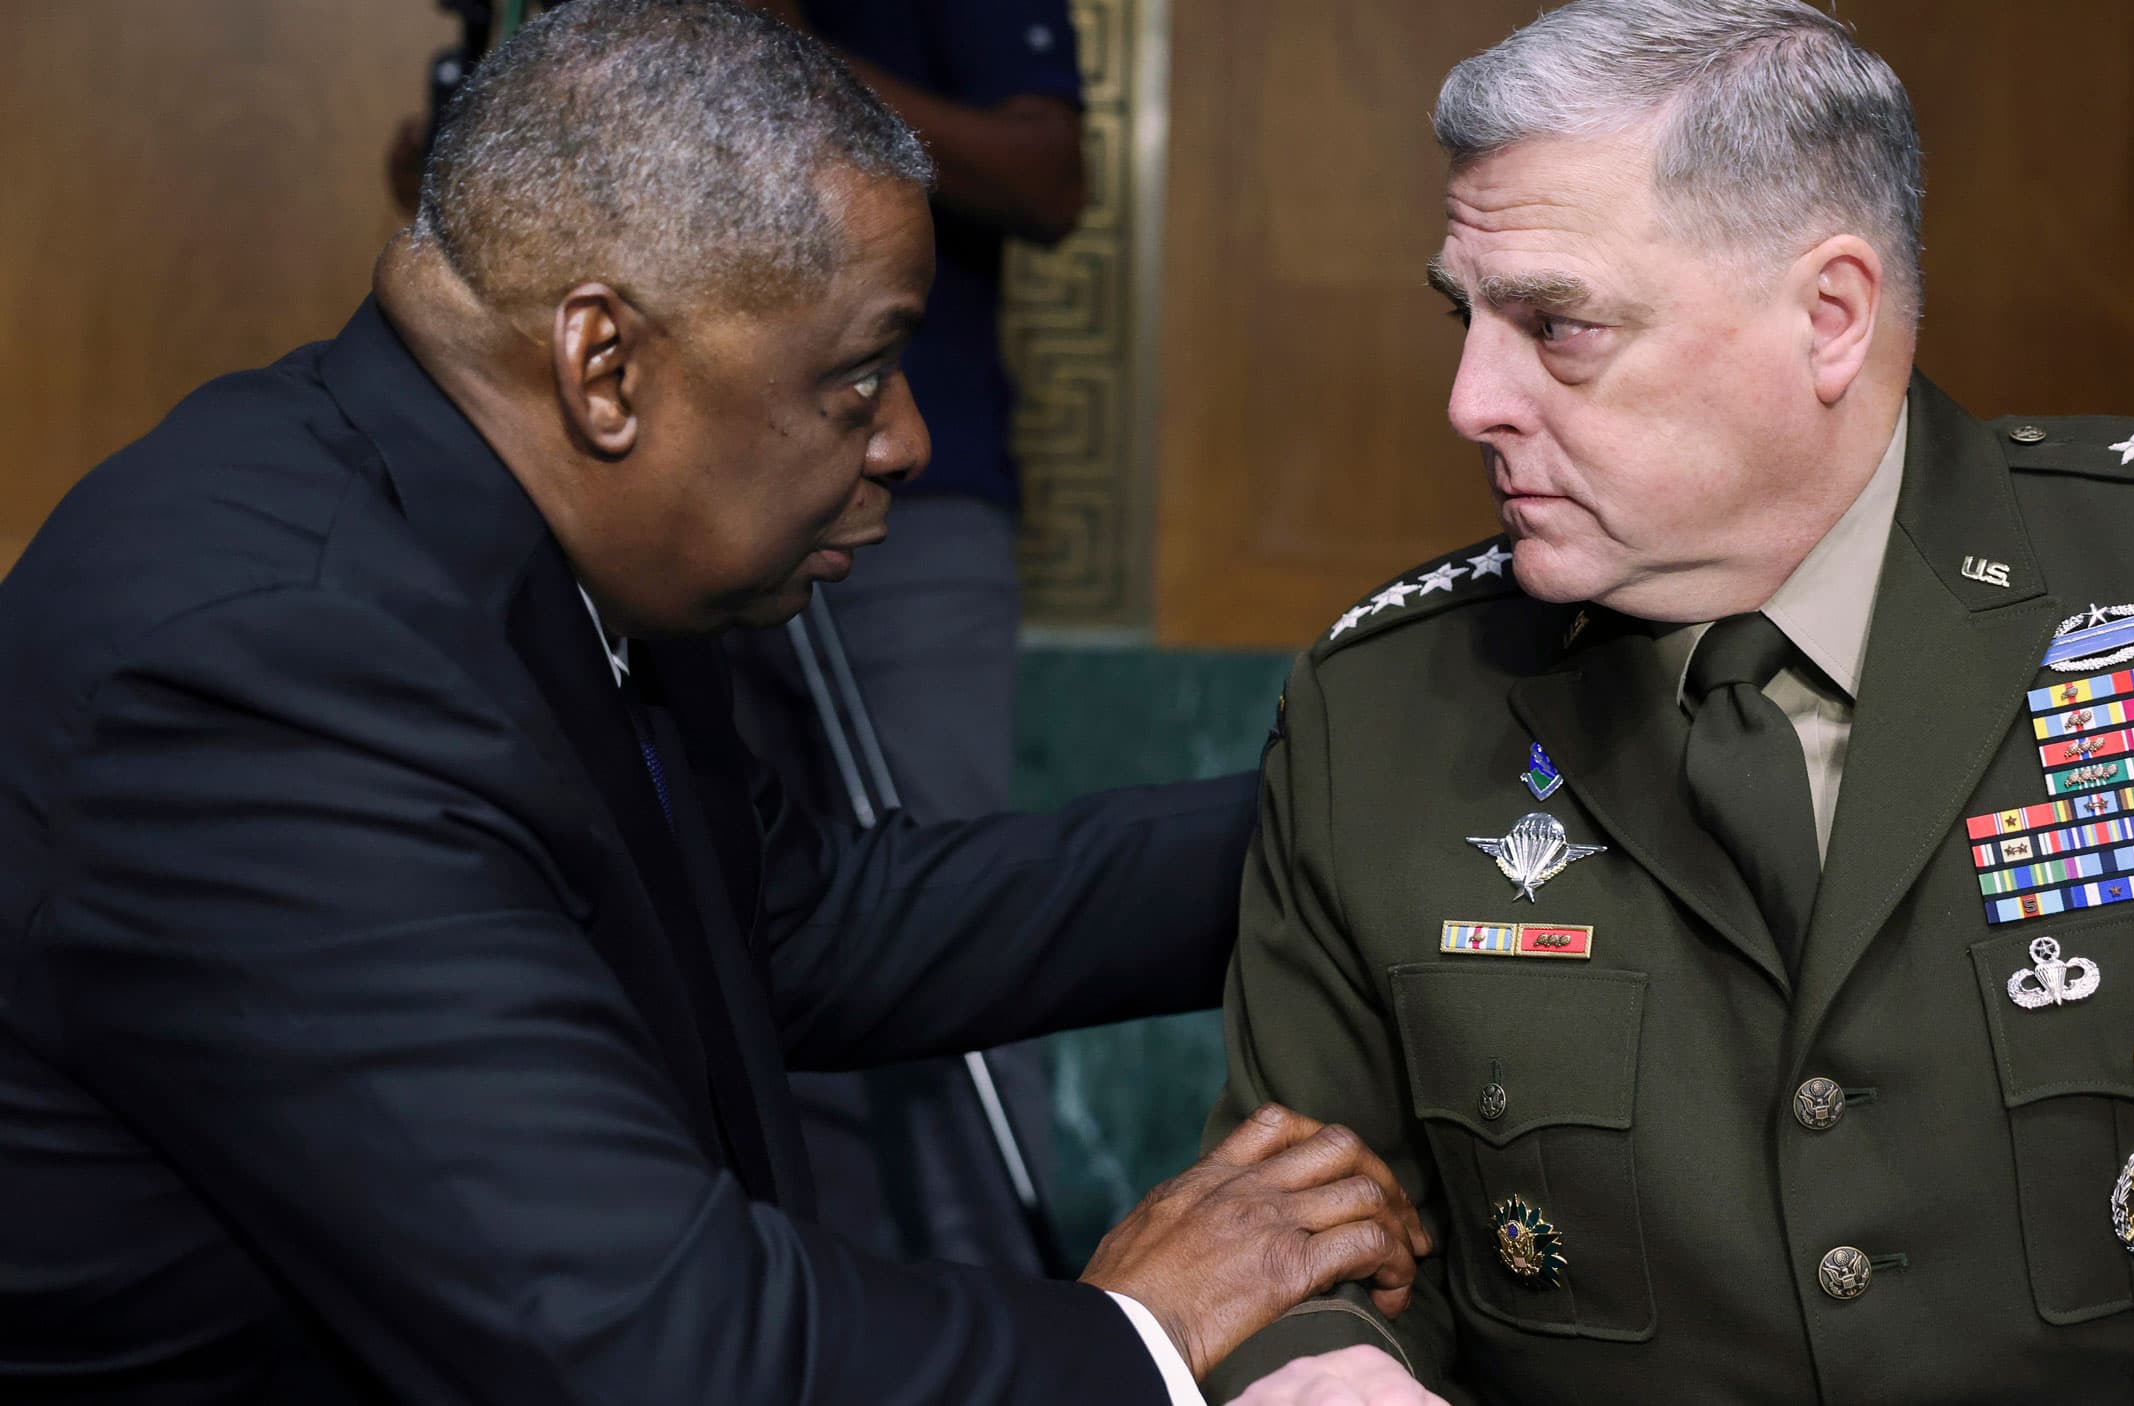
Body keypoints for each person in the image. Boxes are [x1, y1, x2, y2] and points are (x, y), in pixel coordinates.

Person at [0, 3, 1432, 1401]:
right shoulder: (265, 667)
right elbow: (654, 1346)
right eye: (862, 373)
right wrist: (1136, 1332)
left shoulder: (516, 529)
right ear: (605, 366)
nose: (909, 441)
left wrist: (1371, 842)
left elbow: (809, 921)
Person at [1201, 2, 2134, 1403]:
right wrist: (1320, 1361)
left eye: (1558, 325)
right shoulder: (1382, 708)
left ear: (1830, 317)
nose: (1470, 399)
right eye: (1468, 318)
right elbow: (1296, 1236)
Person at [721, 0, 1090, 1277]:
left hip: (913, 522)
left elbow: (1048, 177)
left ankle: (1011, 1330)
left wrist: (781, 48)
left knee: (948, 932)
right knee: (750, 933)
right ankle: (830, 1320)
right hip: (685, 499)